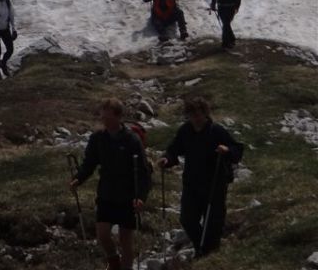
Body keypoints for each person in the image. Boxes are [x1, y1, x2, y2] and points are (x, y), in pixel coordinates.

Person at [69, 98, 151, 270]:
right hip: (106, 193)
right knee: (102, 233)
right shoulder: (98, 138)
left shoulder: (132, 140)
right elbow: (89, 163)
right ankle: (113, 260)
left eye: (107, 117)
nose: (104, 121)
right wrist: (79, 178)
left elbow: (143, 172)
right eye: (102, 117)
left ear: (119, 117)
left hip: (128, 196)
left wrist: (141, 197)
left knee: (125, 239)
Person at [158, 97, 243, 258]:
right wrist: (166, 160)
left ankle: (210, 253)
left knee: (213, 222)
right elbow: (174, 150)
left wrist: (226, 150)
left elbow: (237, 149)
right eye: (192, 115)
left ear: (205, 114)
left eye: (198, 114)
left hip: (215, 184)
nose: (195, 118)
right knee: (187, 219)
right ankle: (202, 248)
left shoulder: (216, 131)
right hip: (192, 183)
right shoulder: (185, 131)